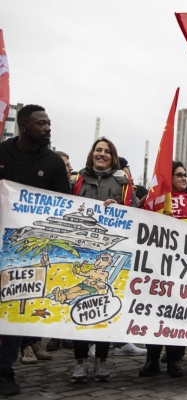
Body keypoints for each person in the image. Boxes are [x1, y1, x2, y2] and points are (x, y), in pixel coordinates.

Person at [0, 104, 71, 396]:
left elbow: (66, 205)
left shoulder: (53, 163)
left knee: (15, 310)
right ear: (24, 125)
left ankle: (4, 370)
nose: (47, 127)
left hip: (25, 252)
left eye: (49, 123)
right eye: (41, 123)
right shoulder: (1, 154)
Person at [70, 137, 139, 382]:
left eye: (107, 151)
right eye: (98, 150)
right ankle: (80, 362)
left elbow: (138, 212)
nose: (102, 154)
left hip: (112, 252)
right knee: (79, 306)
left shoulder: (124, 184)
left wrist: (120, 206)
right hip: (82, 250)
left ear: (113, 156)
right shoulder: (77, 181)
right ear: (91, 154)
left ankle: (101, 360)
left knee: (106, 309)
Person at [137, 161, 187, 377]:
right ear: (167, 177)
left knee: (179, 314)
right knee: (155, 314)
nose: (184, 178)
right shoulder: (151, 199)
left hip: (184, 270)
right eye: (178, 174)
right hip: (156, 268)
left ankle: (174, 359)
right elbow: (132, 218)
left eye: (185, 174)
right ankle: (152, 359)